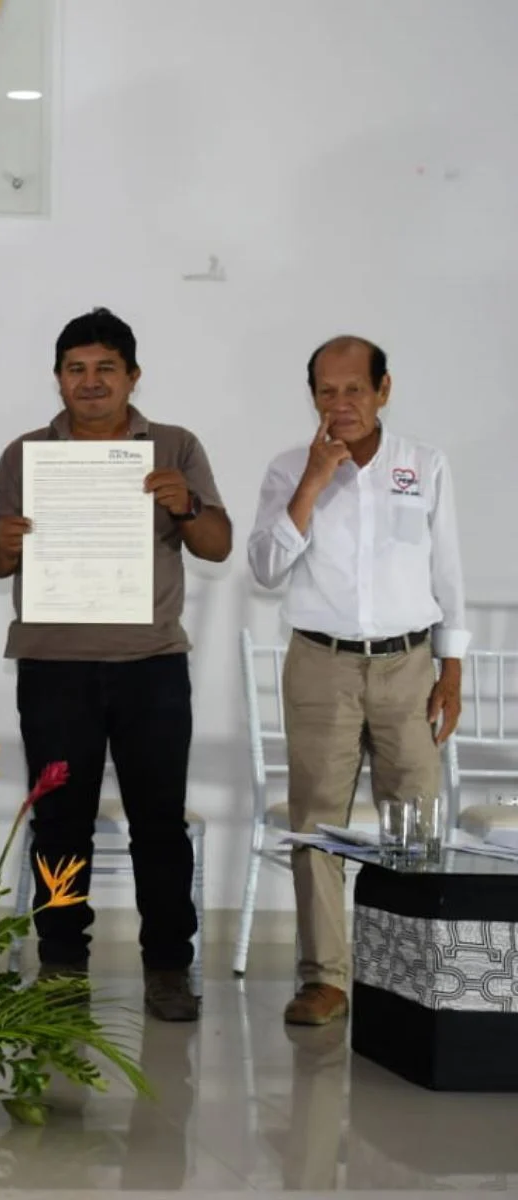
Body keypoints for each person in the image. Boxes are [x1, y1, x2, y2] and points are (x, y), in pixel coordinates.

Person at [0, 307, 231, 1022]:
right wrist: (4, 545)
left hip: (150, 664)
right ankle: (62, 964)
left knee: (159, 822)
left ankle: (168, 967)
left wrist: (187, 505)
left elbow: (217, 546)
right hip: (53, 665)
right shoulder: (25, 455)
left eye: (105, 369)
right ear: (58, 378)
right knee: (60, 822)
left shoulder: (174, 446)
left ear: (132, 376)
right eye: (75, 369)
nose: (90, 382)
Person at [247, 335, 465, 1027]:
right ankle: (325, 981)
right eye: (326, 391)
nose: (341, 404)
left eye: (354, 390)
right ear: (311, 396)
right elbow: (265, 569)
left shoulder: (424, 465)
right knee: (317, 826)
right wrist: (313, 482)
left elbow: (447, 573)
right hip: (321, 664)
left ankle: (410, 970)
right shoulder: (290, 468)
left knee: (415, 822)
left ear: (383, 390)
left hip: (409, 665)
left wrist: (452, 668)